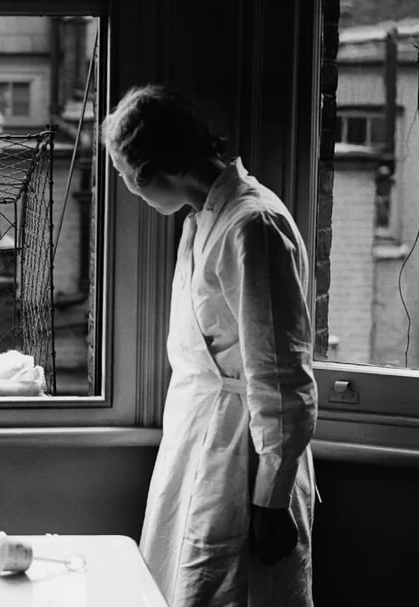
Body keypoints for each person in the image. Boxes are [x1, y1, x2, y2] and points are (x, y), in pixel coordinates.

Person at [102, 84, 318, 606]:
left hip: (243, 447)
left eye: (125, 176)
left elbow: (281, 374)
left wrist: (271, 499)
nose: (127, 188)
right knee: (188, 583)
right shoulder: (202, 219)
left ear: (151, 170)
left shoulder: (252, 227)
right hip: (201, 434)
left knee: (234, 588)